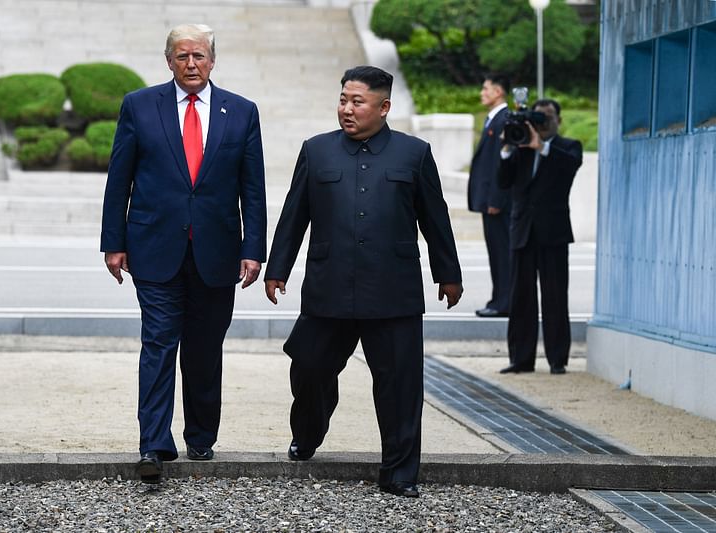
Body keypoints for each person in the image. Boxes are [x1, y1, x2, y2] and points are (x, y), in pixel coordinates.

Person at [264, 66, 463, 498]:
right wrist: (277, 267)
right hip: (328, 287)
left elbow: (436, 219)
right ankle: (310, 430)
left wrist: (448, 274)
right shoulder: (316, 151)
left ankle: (399, 472)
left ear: (384, 107)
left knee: (400, 385)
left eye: (357, 102)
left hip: (393, 293)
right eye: (342, 100)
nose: (347, 109)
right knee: (309, 366)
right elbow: (294, 214)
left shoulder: (414, 154)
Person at [100, 23, 266, 483]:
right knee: (158, 343)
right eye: (181, 56)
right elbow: (120, 179)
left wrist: (254, 248)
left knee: (204, 346)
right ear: (168, 60)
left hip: (218, 252)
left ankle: (200, 436)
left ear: (213, 60)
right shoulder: (139, 106)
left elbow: (253, 188)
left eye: (199, 56)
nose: (191, 64)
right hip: (153, 248)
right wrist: (113, 242)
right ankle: (153, 444)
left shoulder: (242, 111)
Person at [497, 99, 582, 375]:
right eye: (539, 117)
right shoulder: (520, 146)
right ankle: (521, 359)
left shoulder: (568, 147)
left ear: (559, 119)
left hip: (553, 233)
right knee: (520, 297)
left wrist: (541, 146)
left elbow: (568, 168)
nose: (543, 122)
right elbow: (503, 181)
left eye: (548, 117)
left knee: (555, 296)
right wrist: (508, 148)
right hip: (522, 231)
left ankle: (558, 359)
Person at [468, 74, 512, 318]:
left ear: (498, 92)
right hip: (490, 202)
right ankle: (499, 299)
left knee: (502, 254)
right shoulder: (493, 120)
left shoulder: (504, 120)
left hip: (497, 203)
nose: (482, 93)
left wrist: (496, 199)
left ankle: (503, 302)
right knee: (496, 253)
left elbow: (501, 164)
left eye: (485, 89)